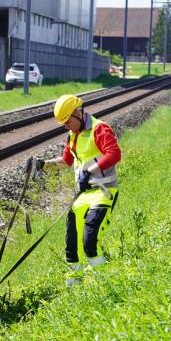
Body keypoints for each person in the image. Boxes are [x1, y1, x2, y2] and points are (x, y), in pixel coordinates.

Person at [35, 95, 121, 285]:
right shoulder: (72, 136)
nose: (65, 126)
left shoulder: (100, 129)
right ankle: (74, 282)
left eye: (67, 121)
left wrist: (89, 171)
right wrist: (42, 164)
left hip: (103, 192)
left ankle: (102, 281)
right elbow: (66, 161)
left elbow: (114, 154)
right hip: (82, 196)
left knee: (90, 240)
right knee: (72, 244)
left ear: (78, 113)